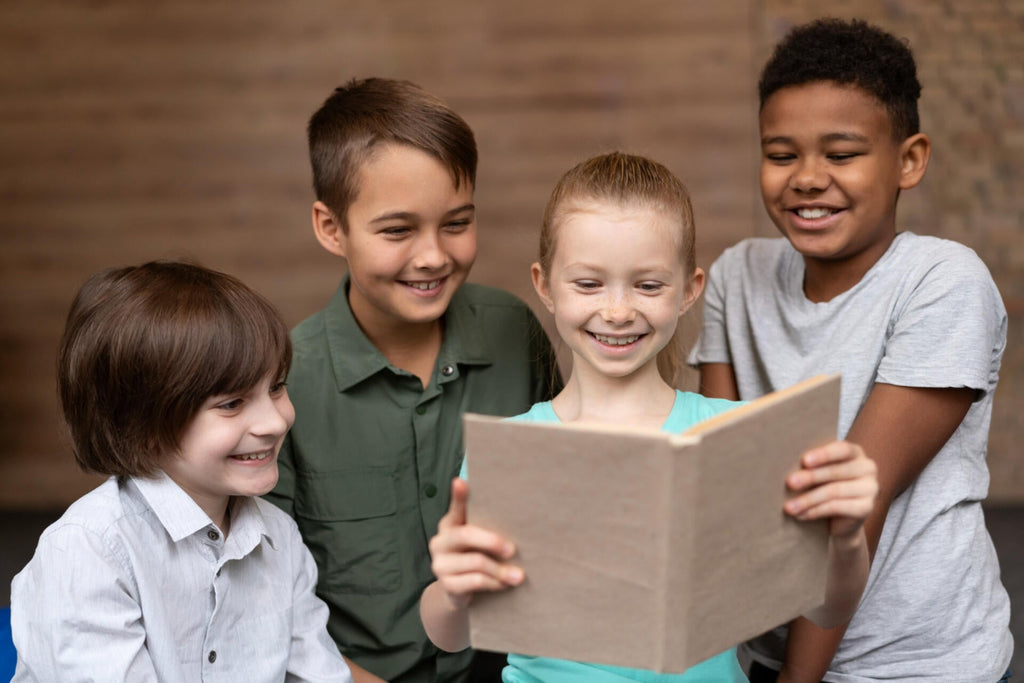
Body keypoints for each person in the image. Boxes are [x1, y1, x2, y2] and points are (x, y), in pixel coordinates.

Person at [420, 151, 880, 682]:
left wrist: (845, 538)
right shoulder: (510, 449)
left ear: (689, 290)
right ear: (545, 285)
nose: (617, 312)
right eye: (588, 284)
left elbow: (827, 609)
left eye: (648, 285)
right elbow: (447, 633)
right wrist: (453, 589)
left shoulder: (736, 436)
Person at [688, 18, 1014, 683]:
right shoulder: (736, 276)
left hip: (923, 664)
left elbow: (856, 503)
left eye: (841, 154)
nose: (808, 178)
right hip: (767, 651)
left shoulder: (943, 281)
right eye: (781, 154)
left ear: (909, 160)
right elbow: (719, 475)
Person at [262, 78, 562, 683]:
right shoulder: (281, 383)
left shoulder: (513, 333)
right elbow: (269, 608)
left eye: (456, 223)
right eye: (397, 231)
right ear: (330, 227)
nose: (432, 256)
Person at [10, 261, 353, 682]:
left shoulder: (280, 537)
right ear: (144, 426)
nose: (276, 421)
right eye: (231, 404)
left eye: (276, 387)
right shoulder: (88, 550)